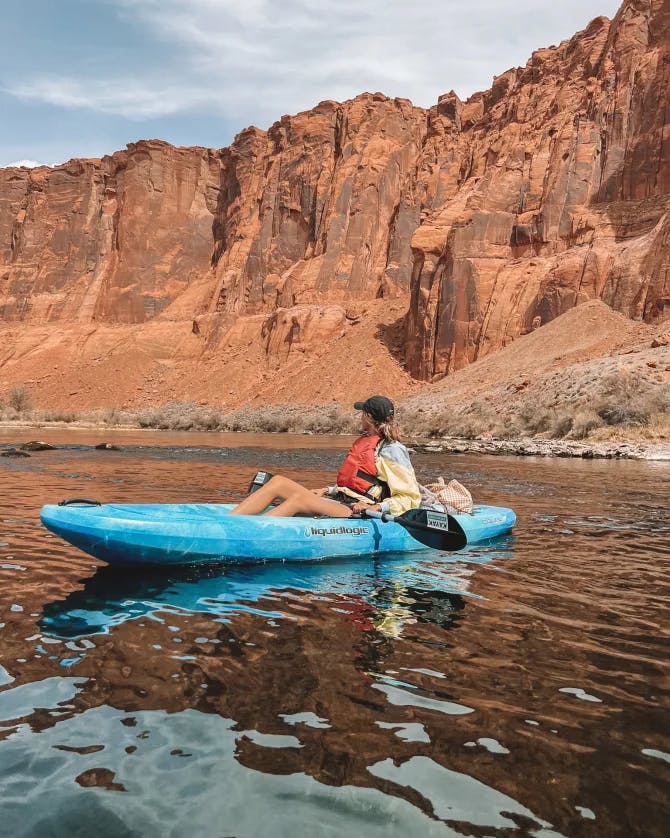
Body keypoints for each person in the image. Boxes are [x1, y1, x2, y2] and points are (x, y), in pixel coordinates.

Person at [228, 395, 421, 518]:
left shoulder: (392, 449)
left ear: (368, 417)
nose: (360, 417)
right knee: (278, 482)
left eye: (362, 414)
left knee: (298, 500)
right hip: (342, 500)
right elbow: (361, 481)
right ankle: (230, 523)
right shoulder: (367, 442)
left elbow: (409, 497)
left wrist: (379, 508)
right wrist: (327, 489)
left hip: (358, 509)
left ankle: (251, 534)